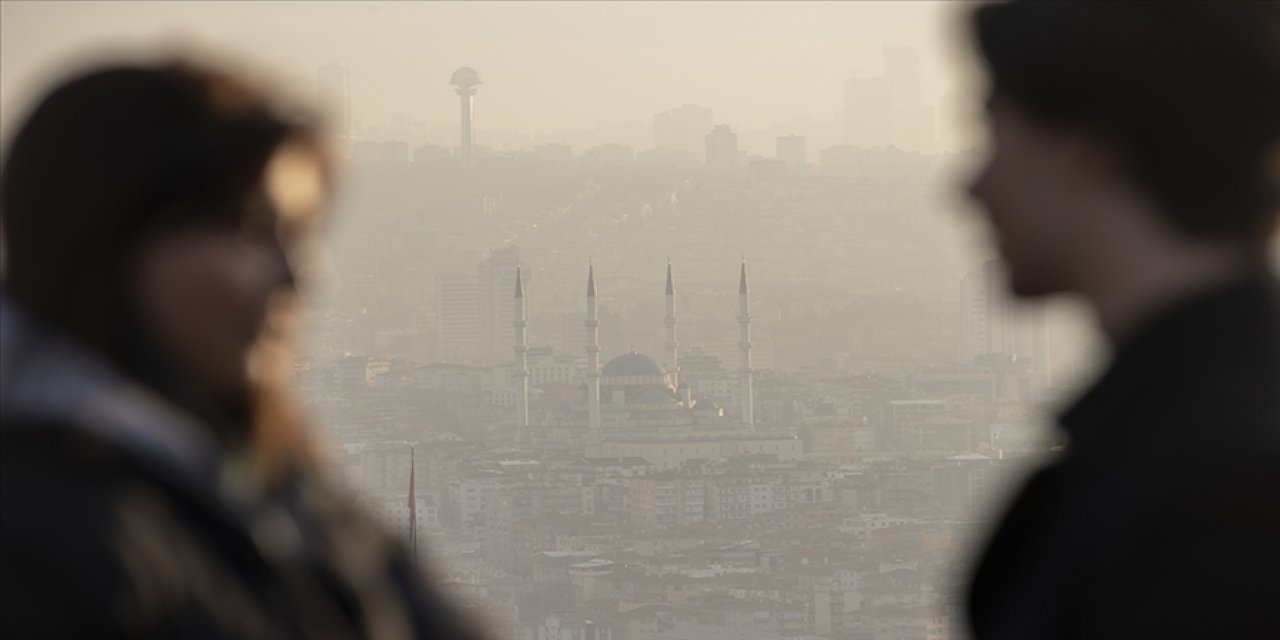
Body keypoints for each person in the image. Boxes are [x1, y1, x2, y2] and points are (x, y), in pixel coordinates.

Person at [0, 60, 482, 639]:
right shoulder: (44, 538)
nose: (299, 275)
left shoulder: (274, 488)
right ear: (108, 239)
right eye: (255, 230)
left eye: (300, 235)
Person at [963, 2, 1280, 638]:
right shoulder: (1203, 435)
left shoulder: (1209, 496)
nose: (972, 184)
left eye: (998, 134)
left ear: (1089, 150)